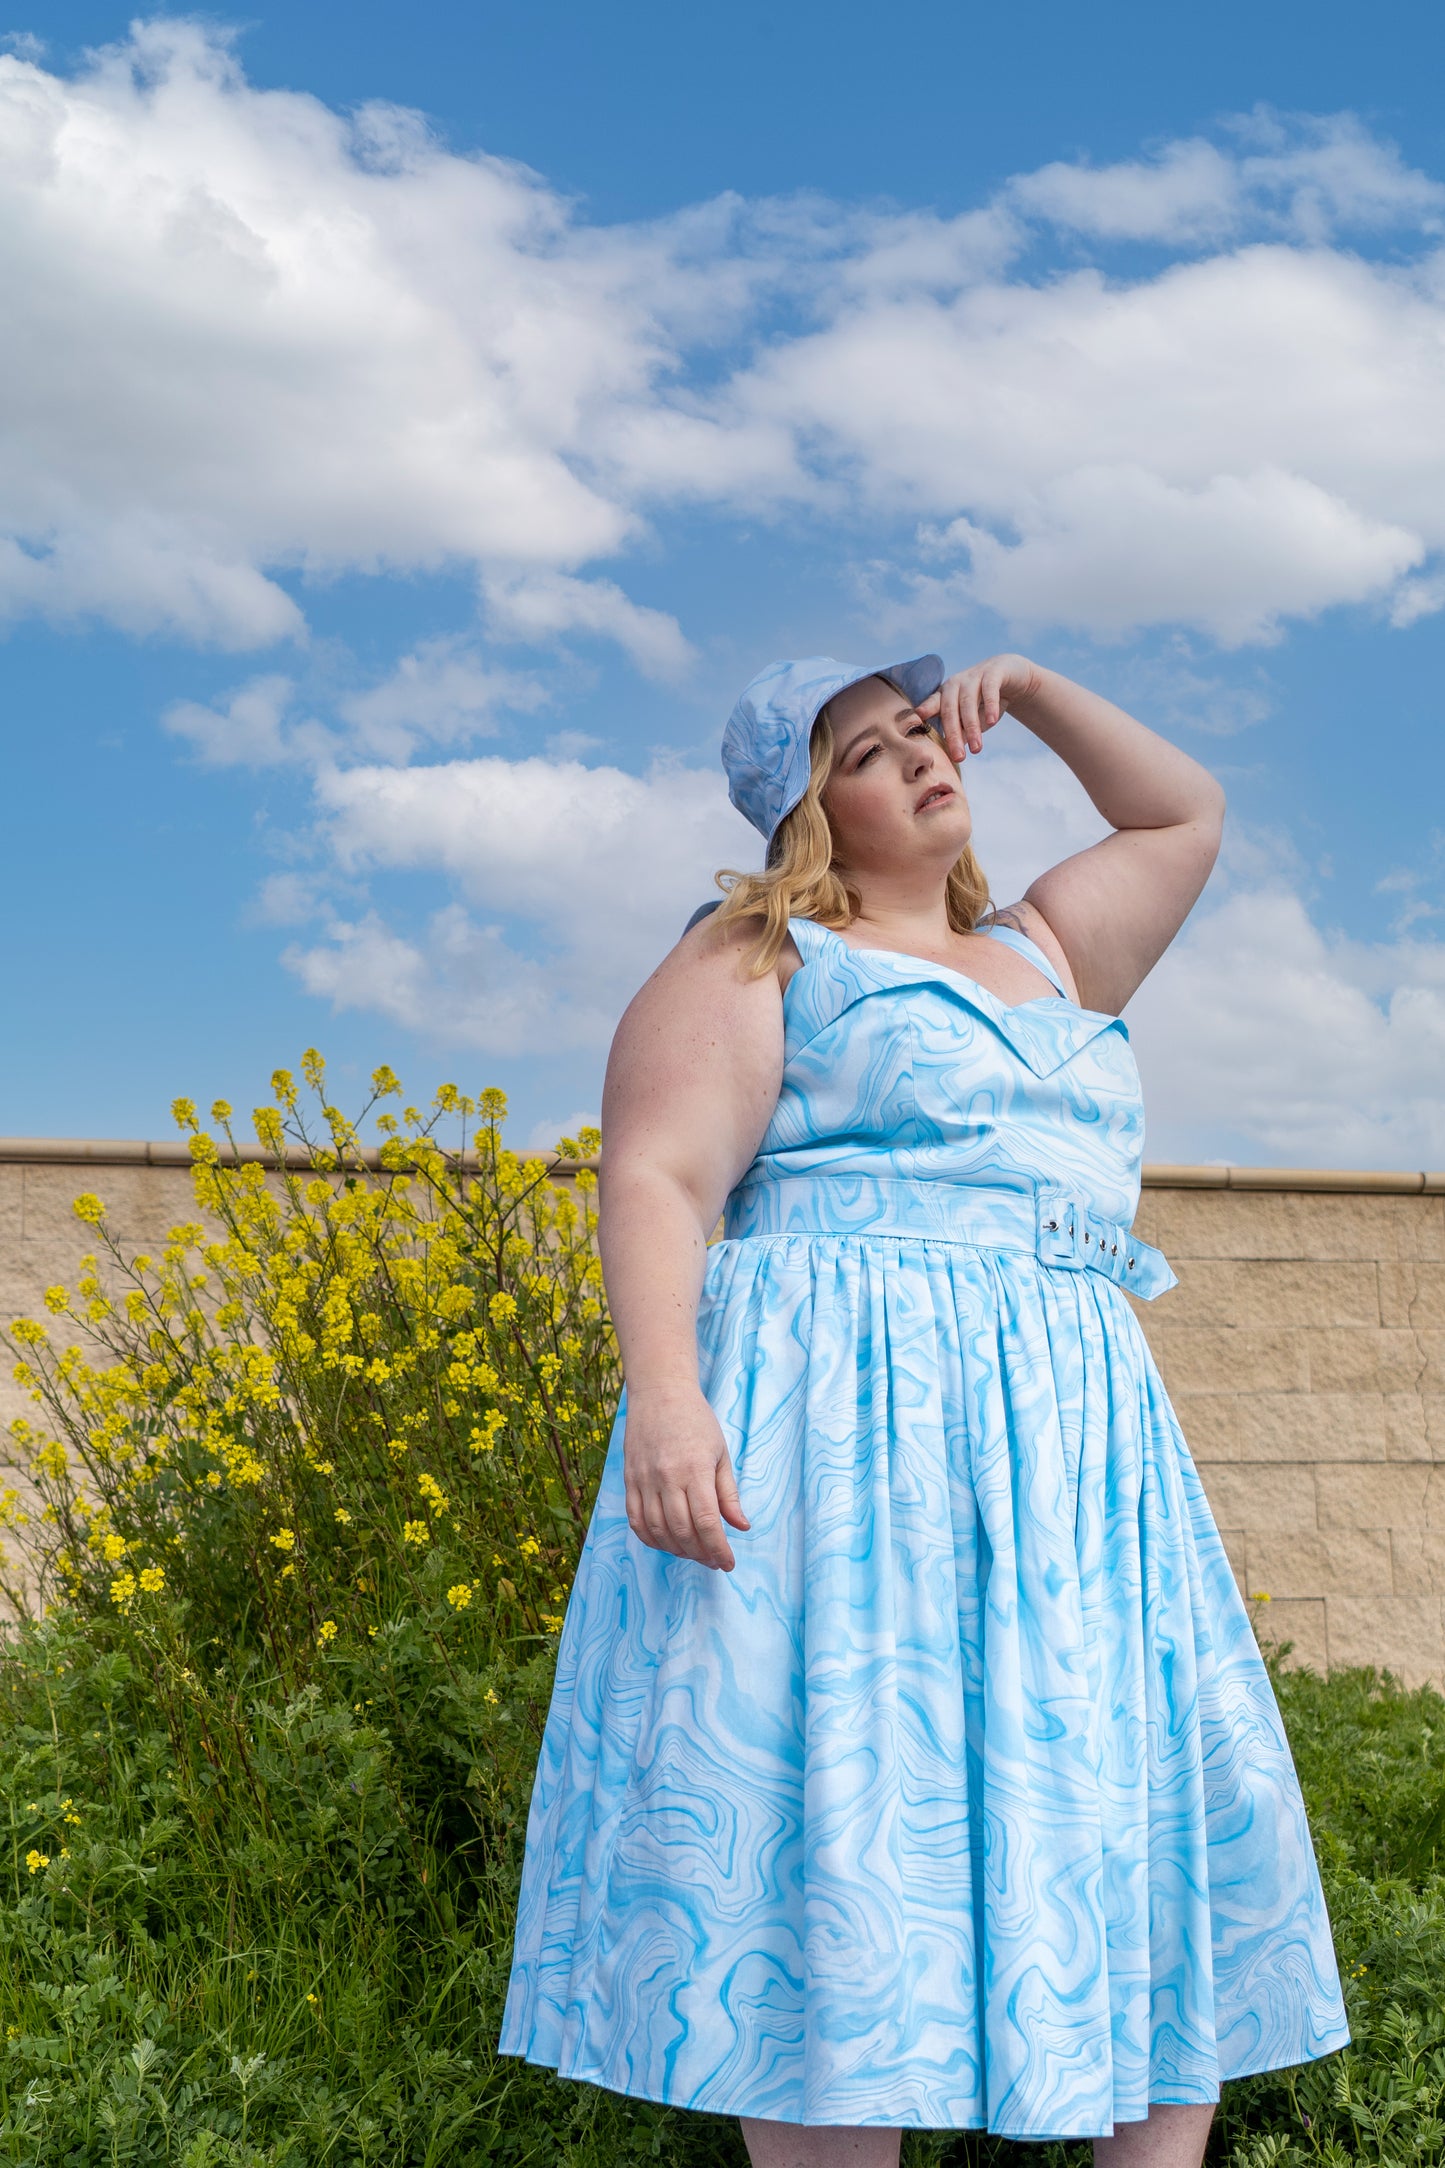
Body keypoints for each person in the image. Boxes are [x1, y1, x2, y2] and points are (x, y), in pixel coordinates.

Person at [498, 651, 1350, 2168]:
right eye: (871, 753)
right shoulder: (760, 957)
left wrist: (1028, 688)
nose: (920, 761)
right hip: (848, 1430)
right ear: (806, 812)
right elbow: (659, 1177)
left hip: (1071, 1449)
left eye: (924, 734)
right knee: (852, 1823)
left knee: (1127, 1808)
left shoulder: (1045, 951)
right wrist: (668, 1403)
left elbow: (1182, 817)